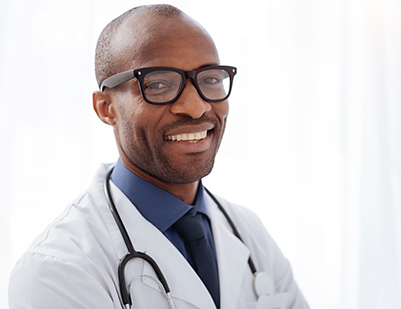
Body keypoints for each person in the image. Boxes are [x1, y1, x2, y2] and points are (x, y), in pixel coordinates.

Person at [9, 4, 309, 309]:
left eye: (210, 79)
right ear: (105, 108)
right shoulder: (57, 270)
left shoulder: (249, 232)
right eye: (158, 84)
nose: (196, 107)